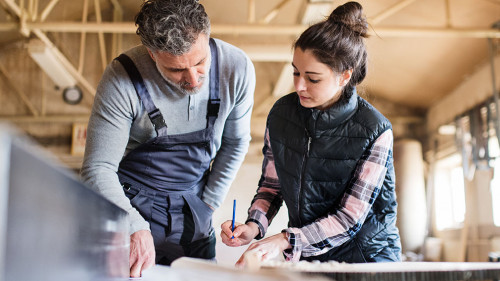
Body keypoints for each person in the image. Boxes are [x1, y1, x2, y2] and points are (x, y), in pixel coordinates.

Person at [80, 0, 255, 277]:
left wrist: (208, 205)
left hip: (194, 210)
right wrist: (133, 227)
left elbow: (235, 143)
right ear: (152, 54)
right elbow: (97, 168)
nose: (194, 79)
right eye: (176, 70)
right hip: (129, 207)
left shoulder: (236, 68)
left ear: (207, 38)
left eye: (200, 62)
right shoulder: (122, 77)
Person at [221, 1, 401, 265]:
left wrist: (283, 240)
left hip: (367, 257)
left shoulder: (376, 130)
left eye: (313, 78)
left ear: (344, 76)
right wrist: (253, 226)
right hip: (308, 253)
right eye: (296, 72)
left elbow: (349, 218)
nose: (299, 85)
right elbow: (272, 186)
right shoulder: (282, 115)